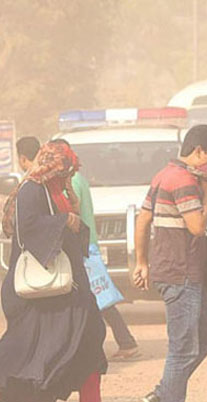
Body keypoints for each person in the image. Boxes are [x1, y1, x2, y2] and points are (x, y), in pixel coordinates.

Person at [0, 141, 127, 402]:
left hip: (69, 288)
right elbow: (28, 228)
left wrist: (72, 209)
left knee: (90, 336)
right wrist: (65, 219)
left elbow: (70, 229)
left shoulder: (56, 191)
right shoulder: (32, 189)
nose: (68, 176)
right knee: (35, 350)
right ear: (51, 166)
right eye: (65, 171)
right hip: (43, 293)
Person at [132, 124, 207, 402]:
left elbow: (143, 220)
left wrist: (142, 261)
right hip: (181, 273)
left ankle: (163, 394)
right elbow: (198, 226)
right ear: (198, 151)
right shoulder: (187, 182)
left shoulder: (163, 175)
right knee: (183, 348)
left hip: (176, 271)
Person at [54, 138, 140, 360]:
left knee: (99, 298)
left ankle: (126, 341)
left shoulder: (70, 181)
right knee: (95, 297)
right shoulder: (80, 178)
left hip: (83, 246)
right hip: (88, 243)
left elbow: (72, 209)